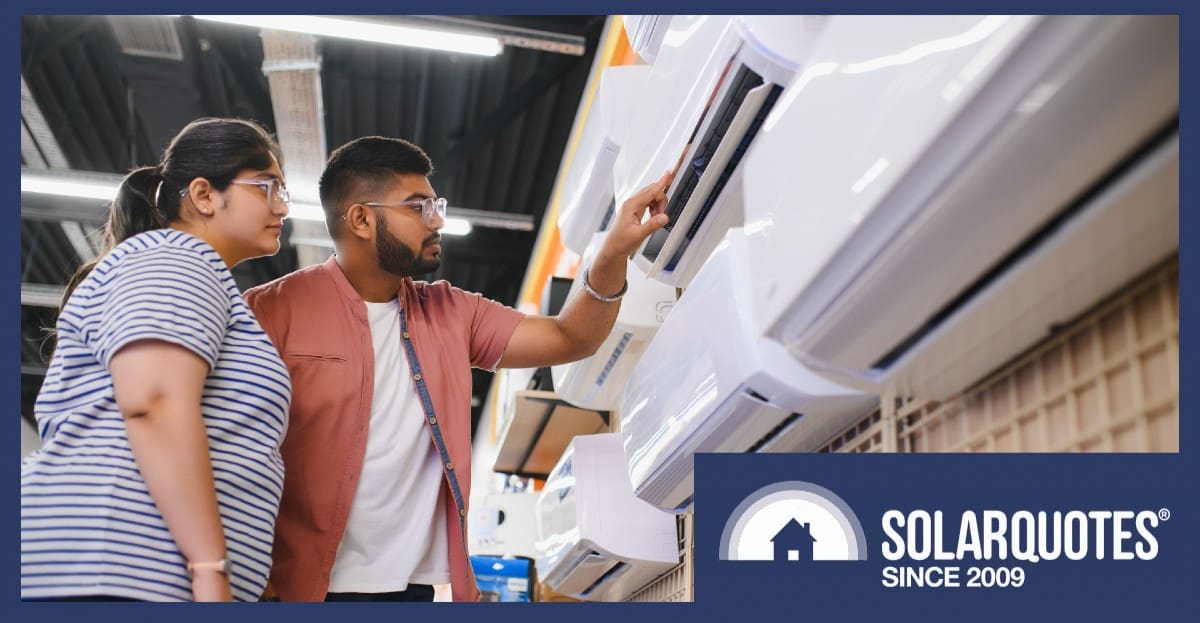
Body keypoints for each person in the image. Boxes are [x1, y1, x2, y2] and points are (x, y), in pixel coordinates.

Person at [245, 136, 672, 602]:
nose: (437, 221)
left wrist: (611, 256)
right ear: (361, 219)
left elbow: (572, 337)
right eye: (417, 207)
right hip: (297, 589)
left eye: (436, 206)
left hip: (412, 593)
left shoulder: (450, 311)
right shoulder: (271, 312)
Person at [21, 117, 293, 602]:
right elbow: (154, 401)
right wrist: (211, 568)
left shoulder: (185, 268)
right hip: (117, 571)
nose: (283, 207)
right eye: (268, 187)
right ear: (205, 195)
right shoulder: (179, 256)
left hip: (129, 572)